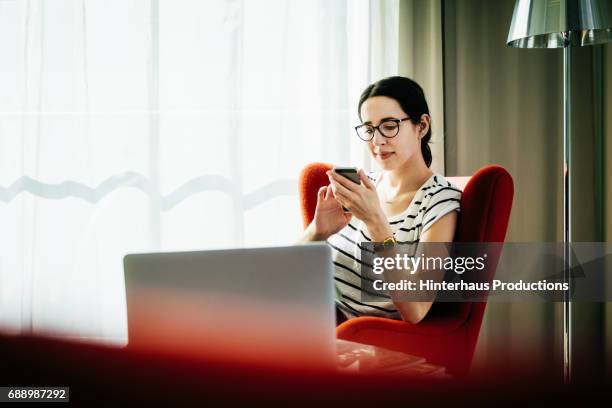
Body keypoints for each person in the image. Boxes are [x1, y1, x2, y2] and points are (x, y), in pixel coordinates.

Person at [298, 76, 461, 325]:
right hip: (312, 311)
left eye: (389, 125)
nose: (377, 141)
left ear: (422, 126)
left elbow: (416, 308)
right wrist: (317, 232)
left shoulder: (438, 202)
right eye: (370, 129)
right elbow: (285, 270)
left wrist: (375, 221)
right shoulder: (362, 186)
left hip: (358, 335)